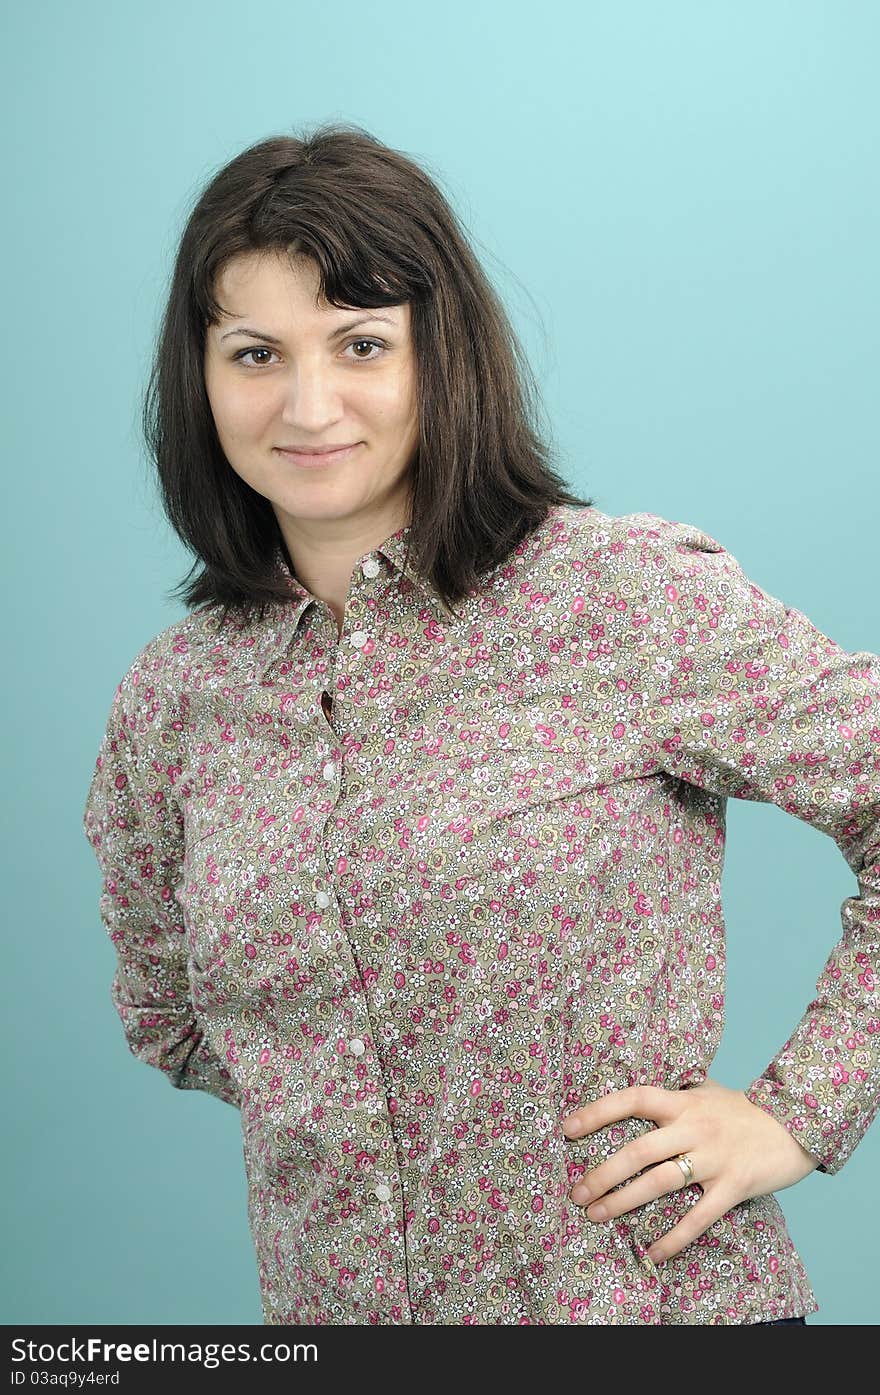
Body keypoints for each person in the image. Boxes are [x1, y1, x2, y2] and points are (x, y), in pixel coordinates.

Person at [82, 122, 878, 1326]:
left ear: (440, 356)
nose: (307, 405)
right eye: (254, 352)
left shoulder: (621, 600)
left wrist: (799, 1110)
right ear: (198, 379)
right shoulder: (174, 702)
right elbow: (168, 1016)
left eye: (360, 344)